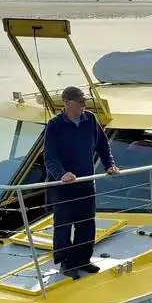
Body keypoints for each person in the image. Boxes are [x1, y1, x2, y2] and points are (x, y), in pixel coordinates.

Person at [43, 86, 119, 279]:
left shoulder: (90, 119)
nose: (84, 105)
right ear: (67, 103)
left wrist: (109, 165)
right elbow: (49, 156)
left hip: (85, 182)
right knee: (63, 225)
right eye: (80, 102)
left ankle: (83, 260)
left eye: (85, 101)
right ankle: (66, 263)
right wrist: (61, 174)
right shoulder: (54, 125)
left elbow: (103, 145)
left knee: (86, 224)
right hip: (62, 186)